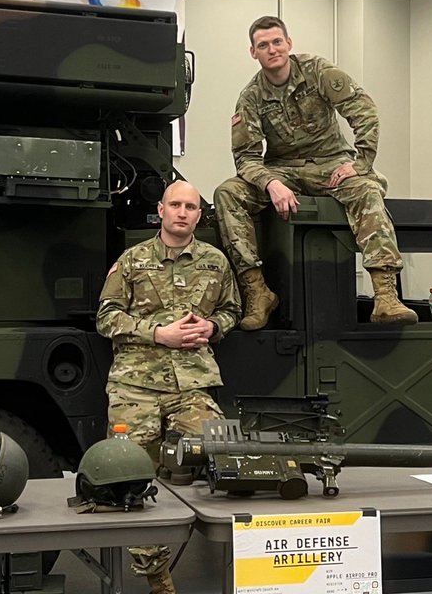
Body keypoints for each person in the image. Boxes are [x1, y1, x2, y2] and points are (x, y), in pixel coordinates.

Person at [213, 15, 417, 330]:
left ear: (289, 43)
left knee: (368, 190)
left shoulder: (318, 71)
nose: (272, 49)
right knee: (228, 193)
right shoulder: (251, 96)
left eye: (277, 41)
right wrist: (271, 183)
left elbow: (363, 109)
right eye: (263, 45)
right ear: (253, 53)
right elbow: (246, 157)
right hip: (283, 169)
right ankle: (257, 292)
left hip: (332, 162)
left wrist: (361, 163)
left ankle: (385, 296)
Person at [97, 180, 241, 594]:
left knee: (220, 449)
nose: (182, 212)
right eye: (175, 204)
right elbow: (106, 318)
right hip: (135, 385)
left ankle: (227, 553)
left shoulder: (215, 262)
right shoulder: (132, 260)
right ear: (160, 210)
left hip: (193, 383)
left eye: (191, 206)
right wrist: (158, 334)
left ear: (199, 215)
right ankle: (156, 574)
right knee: (128, 475)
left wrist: (214, 326)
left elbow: (232, 310)